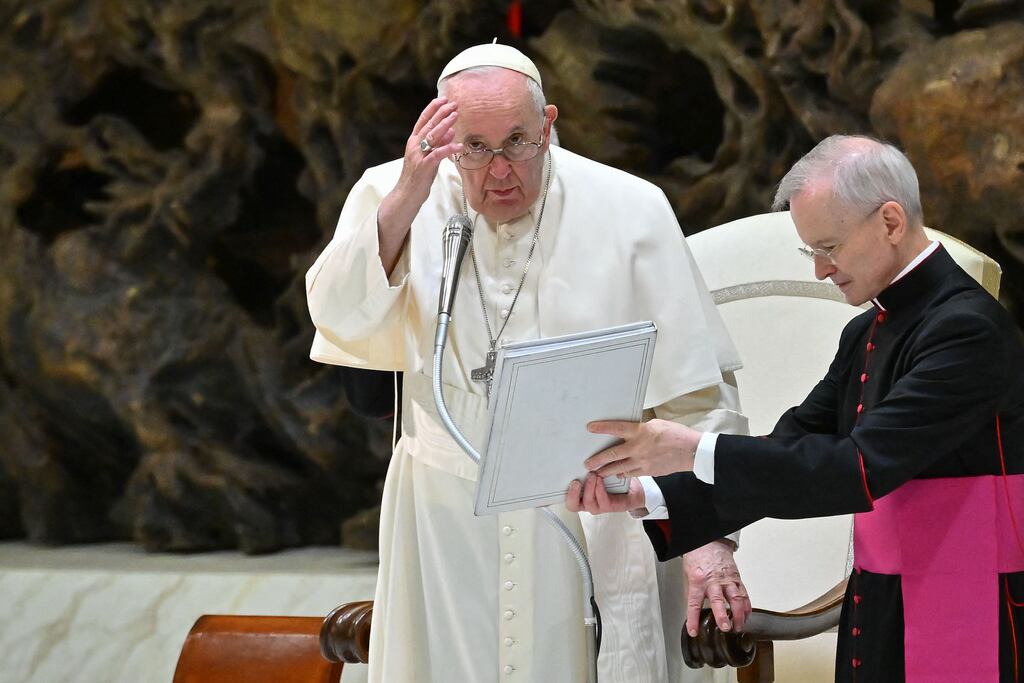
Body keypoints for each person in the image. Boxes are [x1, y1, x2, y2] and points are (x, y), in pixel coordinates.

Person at [306, 42, 751, 683]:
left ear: (549, 125)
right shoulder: (395, 191)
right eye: (474, 148)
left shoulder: (631, 208)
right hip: (445, 516)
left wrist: (708, 538)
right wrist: (409, 193)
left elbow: (697, 392)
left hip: (594, 507)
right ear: (441, 136)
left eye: (517, 142)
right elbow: (340, 319)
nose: (499, 171)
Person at [568, 134, 1024, 682]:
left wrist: (692, 447)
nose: (821, 270)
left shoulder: (966, 330)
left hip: (964, 597)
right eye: (813, 252)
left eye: (829, 247)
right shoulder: (865, 332)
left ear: (891, 222)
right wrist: (645, 491)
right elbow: (791, 448)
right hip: (885, 593)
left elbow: (858, 466)